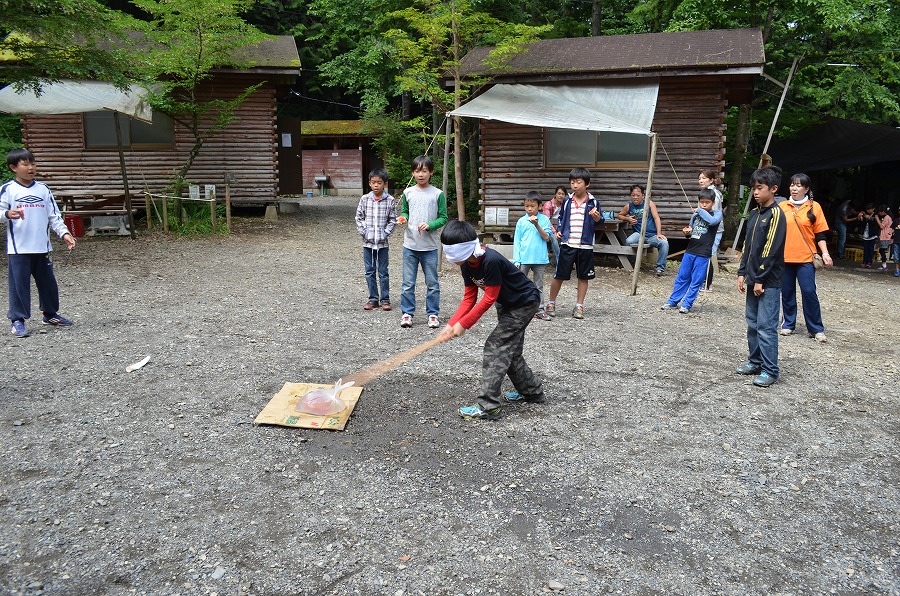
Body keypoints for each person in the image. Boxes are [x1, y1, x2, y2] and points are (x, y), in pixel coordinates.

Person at [436, 220, 545, 420]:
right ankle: (532, 392)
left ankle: (489, 406)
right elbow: (469, 297)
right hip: (507, 303)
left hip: (524, 302)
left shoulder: (490, 260)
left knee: (496, 347)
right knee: (509, 351)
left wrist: (464, 324)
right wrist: (451, 324)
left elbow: (489, 297)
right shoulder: (466, 264)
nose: (452, 260)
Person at [0, 148, 76, 338]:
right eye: (25, 164)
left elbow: (54, 216)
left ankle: (50, 314)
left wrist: (65, 233)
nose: (31, 167)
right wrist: (7, 214)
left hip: (42, 247)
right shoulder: (8, 189)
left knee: (48, 283)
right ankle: (18, 320)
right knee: (19, 286)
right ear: (13, 167)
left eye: (33, 163)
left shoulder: (43, 189)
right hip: (19, 249)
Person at [736, 167, 786, 388]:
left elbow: (771, 249)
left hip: (768, 281)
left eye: (760, 188)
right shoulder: (755, 214)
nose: (755, 192)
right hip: (752, 277)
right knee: (752, 323)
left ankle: (770, 370)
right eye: (753, 188)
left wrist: (760, 279)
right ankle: (755, 361)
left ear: (773, 189)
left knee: (766, 326)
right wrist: (741, 272)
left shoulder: (776, 214)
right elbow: (747, 247)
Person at [778, 173, 832, 343]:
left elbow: (820, 234)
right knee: (786, 292)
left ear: (807, 189)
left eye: (799, 185)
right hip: (785, 257)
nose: (794, 188)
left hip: (806, 257)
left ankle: (816, 328)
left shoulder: (814, 207)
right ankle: (788, 323)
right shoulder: (782, 206)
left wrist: (825, 253)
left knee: (809, 291)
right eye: (792, 185)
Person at [396, 156, 448, 329]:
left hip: (430, 247)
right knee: (408, 283)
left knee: (432, 283)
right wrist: (404, 218)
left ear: (431, 172)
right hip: (410, 245)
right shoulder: (408, 192)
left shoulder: (438, 194)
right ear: (413, 172)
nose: (421, 174)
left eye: (424, 170)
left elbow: (443, 218)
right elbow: (405, 211)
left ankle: (432, 314)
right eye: (417, 171)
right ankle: (407, 313)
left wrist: (431, 225)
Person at [546, 168, 603, 319]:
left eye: (578, 182)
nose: (575, 185)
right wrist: (559, 230)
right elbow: (561, 218)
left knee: (583, 277)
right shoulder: (567, 201)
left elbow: (600, 221)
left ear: (587, 184)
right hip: (568, 244)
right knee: (559, 275)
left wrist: (597, 218)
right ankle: (551, 303)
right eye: (572, 182)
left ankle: (579, 306)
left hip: (585, 245)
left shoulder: (593, 201)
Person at [660, 188, 722, 313]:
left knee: (697, 280)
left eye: (707, 202)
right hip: (690, 250)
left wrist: (700, 210)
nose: (704, 205)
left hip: (703, 253)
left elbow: (712, 222)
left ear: (713, 203)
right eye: (702, 202)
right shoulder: (695, 215)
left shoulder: (716, 214)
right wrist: (687, 232)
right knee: (682, 277)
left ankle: (687, 304)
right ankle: (673, 301)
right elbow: (692, 230)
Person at [355, 168, 397, 311]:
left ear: (384, 183)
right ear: (369, 183)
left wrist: (385, 233)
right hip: (367, 243)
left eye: (379, 183)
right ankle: (373, 298)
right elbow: (359, 217)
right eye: (373, 183)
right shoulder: (365, 199)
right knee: (369, 271)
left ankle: (385, 299)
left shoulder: (390, 200)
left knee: (383, 271)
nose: (376, 185)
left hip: (382, 243)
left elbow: (393, 220)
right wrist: (364, 232)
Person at [513, 191, 553, 320]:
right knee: (519, 284)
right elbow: (517, 242)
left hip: (540, 258)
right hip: (524, 258)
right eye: (526, 206)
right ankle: (518, 308)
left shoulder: (544, 220)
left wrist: (536, 224)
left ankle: (539, 309)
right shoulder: (521, 221)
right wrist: (516, 260)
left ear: (540, 206)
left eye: (532, 206)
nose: (529, 209)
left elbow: (547, 237)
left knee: (538, 286)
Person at [616, 185, 669, 276]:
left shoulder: (649, 203)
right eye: (633, 195)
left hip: (652, 235)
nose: (635, 197)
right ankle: (628, 262)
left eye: (638, 195)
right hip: (638, 234)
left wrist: (659, 233)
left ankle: (660, 268)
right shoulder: (629, 206)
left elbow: (656, 218)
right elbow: (619, 215)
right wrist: (627, 218)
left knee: (664, 243)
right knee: (629, 241)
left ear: (643, 196)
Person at [698, 169, 724, 287]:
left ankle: (707, 283)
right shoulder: (705, 192)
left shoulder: (715, 195)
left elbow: (715, 215)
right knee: (704, 253)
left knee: (708, 254)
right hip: (705, 227)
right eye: (700, 178)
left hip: (714, 229)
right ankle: (702, 280)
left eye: (704, 178)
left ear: (712, 180)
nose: (701, 181)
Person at [542, 185, 566, 262]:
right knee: (554, 239)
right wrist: (554, 232)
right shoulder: (548, 205)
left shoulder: (564, 205)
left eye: (563, 194)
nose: (560, 195)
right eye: (559, 193)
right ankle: (559, 262)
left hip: (559, 227)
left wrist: (559, 230)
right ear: (555, 194)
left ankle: (569, 261)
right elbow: (547, 220)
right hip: (548, 228)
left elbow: (564, 219)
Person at [858, 204, 878, 268]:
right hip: (866, 234)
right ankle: (864, 262)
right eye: (867, 209)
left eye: (870, 209)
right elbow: (863, 224)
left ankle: (869, 262)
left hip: (872, 235)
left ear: (873, 209)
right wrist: (861, 219)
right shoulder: (866, 216)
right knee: (865, 249)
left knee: (870, 249)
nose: (868, 211)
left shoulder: (876, 216)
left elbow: (874, 224)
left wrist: (868, 218)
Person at [875, 205, 893, 271]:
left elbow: (882, 226)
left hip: (885, 236)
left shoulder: (887, 217)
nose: (879, 213)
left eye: (879, 212)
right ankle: (883, 265)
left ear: (883, 212)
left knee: (882, 250)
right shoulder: (888, 217)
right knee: (881, 250)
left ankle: (884, 265)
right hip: (885, 236)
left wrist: (877, 219)